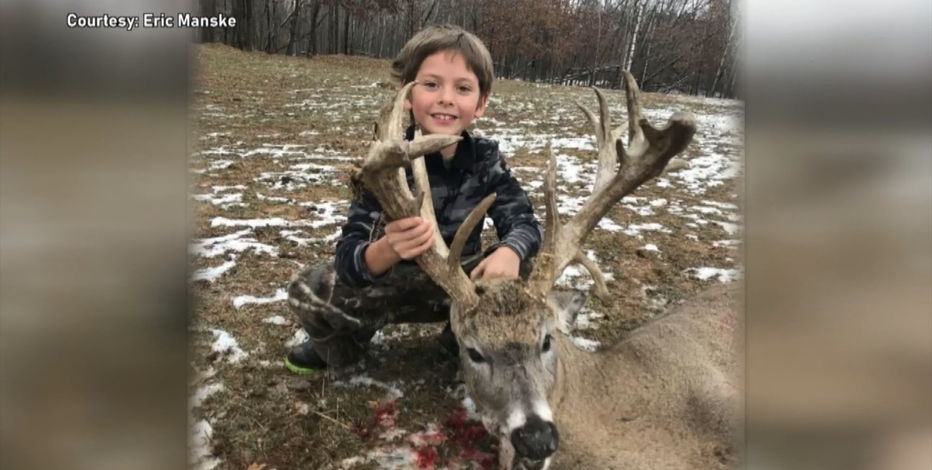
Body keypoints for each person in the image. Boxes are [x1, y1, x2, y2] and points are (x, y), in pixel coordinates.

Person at [284, 24, 542, 375]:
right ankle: (344, 348)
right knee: (307, 288)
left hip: (461, 290)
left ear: (481, 103)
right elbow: (348, 257)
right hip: (390, 287)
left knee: (527, 266)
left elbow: (524, 223)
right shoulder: (384, 166)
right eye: (431, 84)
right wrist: (386, 249)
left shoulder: (486, 161)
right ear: (407, 96)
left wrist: (510, 251)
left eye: (462, 88)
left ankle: (463, 342)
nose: (446, 98)